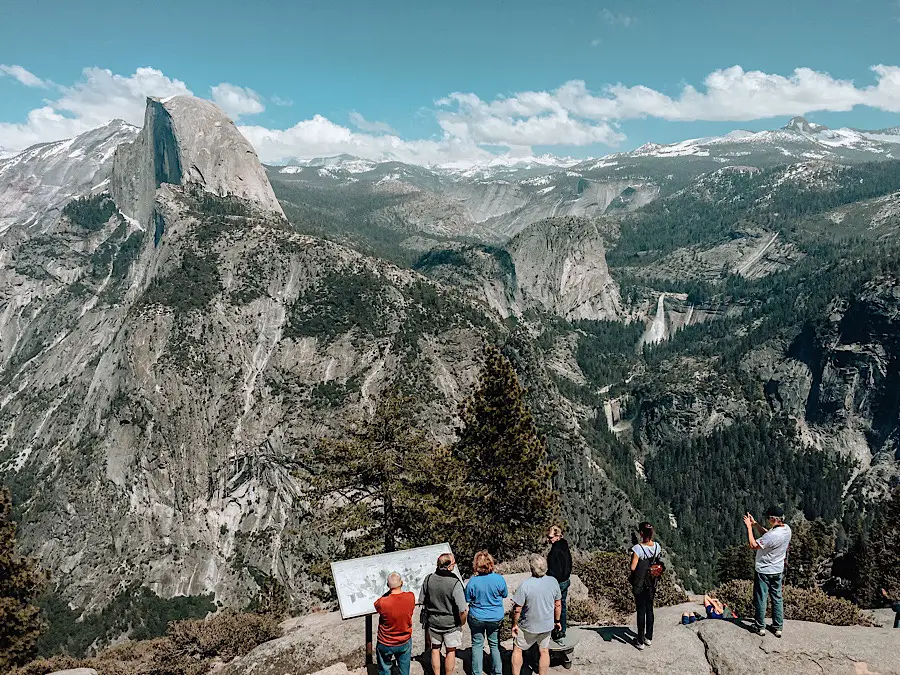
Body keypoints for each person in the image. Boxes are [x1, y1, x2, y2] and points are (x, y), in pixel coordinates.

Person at [743, 506, 792, 638]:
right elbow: (768, 536)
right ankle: (778, 627)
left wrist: (748, 527)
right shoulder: (786, 529)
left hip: (764, 570)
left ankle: (760, 627)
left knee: (761, 598)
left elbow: (753, 545)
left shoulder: (772, 535)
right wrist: (755, 525)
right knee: (777, 598)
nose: (768, 520)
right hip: (777, 570)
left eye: (769, 518)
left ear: (773, 519)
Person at [511, 554, 562, 675]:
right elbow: (558, 605)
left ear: (532, 568)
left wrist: (514, 624)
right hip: (546, 625)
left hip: (528, 626)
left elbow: (517, 609)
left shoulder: (525, 586)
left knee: (518, 649)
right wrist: (557, 621)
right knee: (544, 651)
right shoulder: (553, 582)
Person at [420, 553, 468, 675]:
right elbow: (463, 609)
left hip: (434, 622)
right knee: (450, 651)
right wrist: (462, 622)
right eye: (453, 563)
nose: (455, 564)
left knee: (435, 649)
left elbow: (422, 600)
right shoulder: (454, 583)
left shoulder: (429, 579)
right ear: (448, 566)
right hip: (451, 624)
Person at [465, 550, 508, 675]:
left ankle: (476, 672)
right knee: (494, 644)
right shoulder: (499, 579)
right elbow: (504, 594)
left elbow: (467, 599)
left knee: (477, 644)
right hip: (495, 617)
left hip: (477, 616)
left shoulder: (473, 581)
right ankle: (497, 671)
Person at [629, 521, 663, 650]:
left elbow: (633, 567)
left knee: (641, 610)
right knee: (650, 609)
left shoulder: (638, 549)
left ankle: (640, 640)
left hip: (641, 583)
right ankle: (649, 637)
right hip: (652, 582)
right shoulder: (657, 546)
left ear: (641, 533)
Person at [373, 572, 416, 675]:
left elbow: (376, 604)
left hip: (385, 642)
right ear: (401, 583)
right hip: (404, 640)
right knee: (404, 671)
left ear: (388, 586)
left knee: (384, 669)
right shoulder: (410, 597)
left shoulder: (382, 603)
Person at [546, 525, 572, 644]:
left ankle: (556, 631)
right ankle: (563, 629)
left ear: (557, 536)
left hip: (557, 582)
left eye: (550, 537)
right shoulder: (564, 545)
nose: (549, 539)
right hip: (565, 580)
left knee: (554, 607)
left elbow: (553, 570)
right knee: (562, 606)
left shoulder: (554, 551)